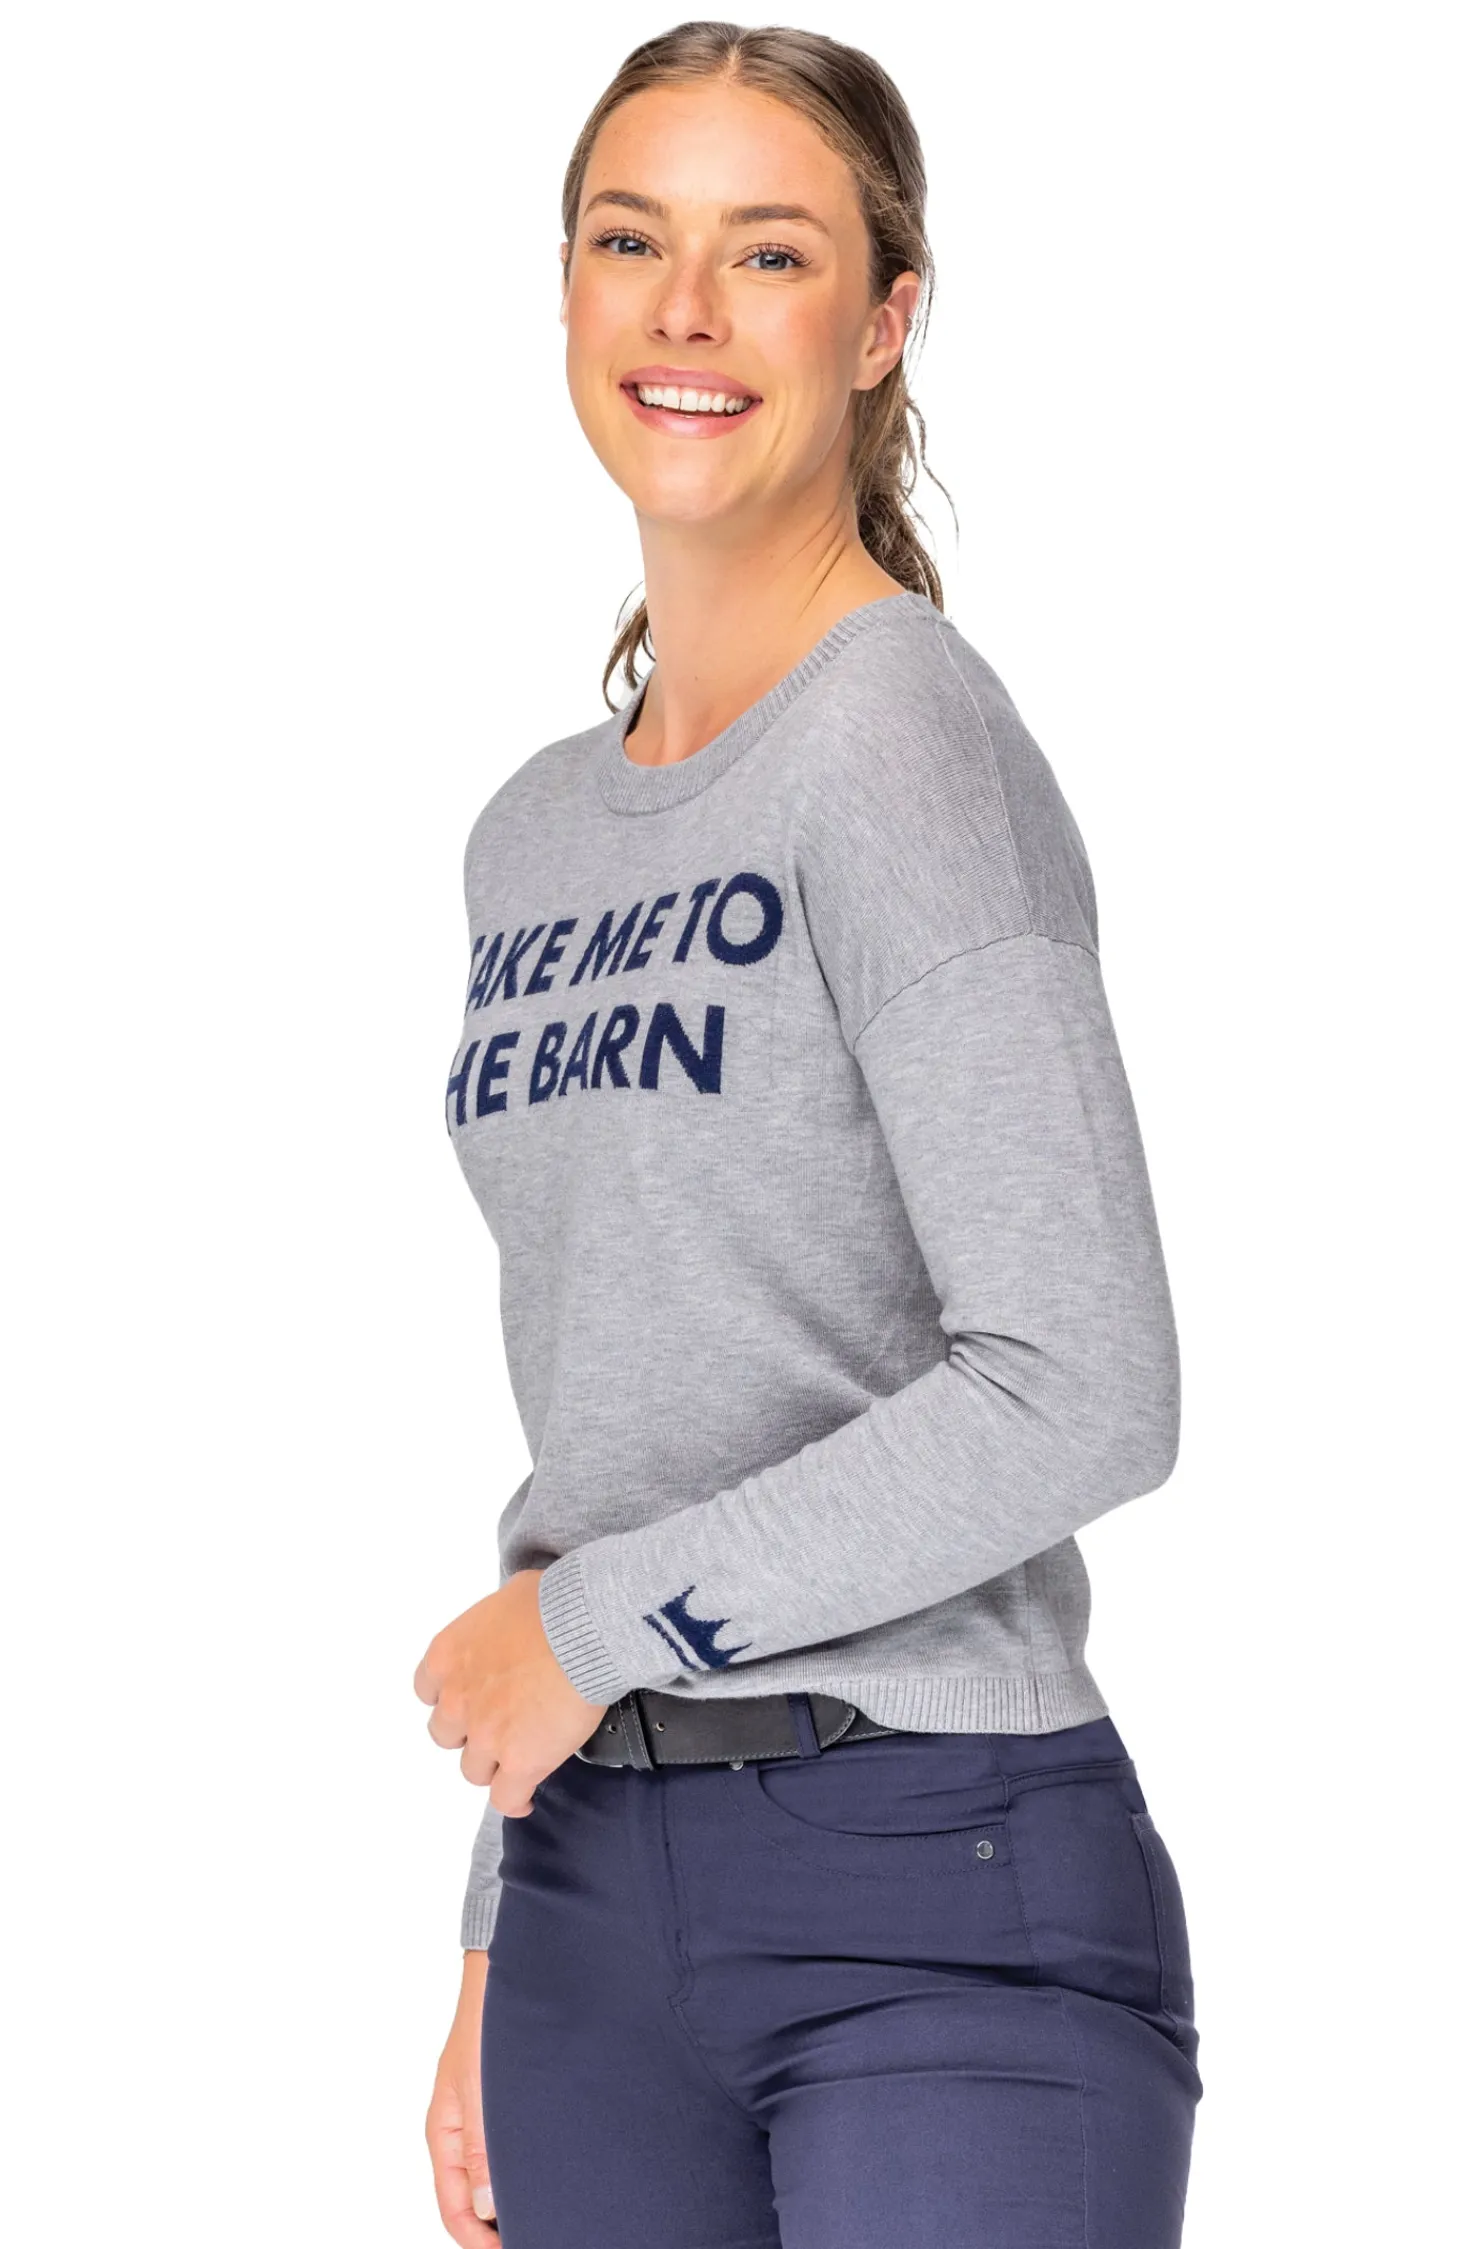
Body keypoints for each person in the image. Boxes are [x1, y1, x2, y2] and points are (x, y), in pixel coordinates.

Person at [415, 22, 1201, 2248]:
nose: (685, 309)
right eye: (629, 241)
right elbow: (621, 1416)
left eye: (768, 253)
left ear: (880, 324)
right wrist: (494, 1934)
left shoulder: (902, 740)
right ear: (566, 288)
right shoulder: (531, 837)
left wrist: (593, 1626)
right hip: (589, 1905)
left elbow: (1087, 1381)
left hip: (929, 1880)